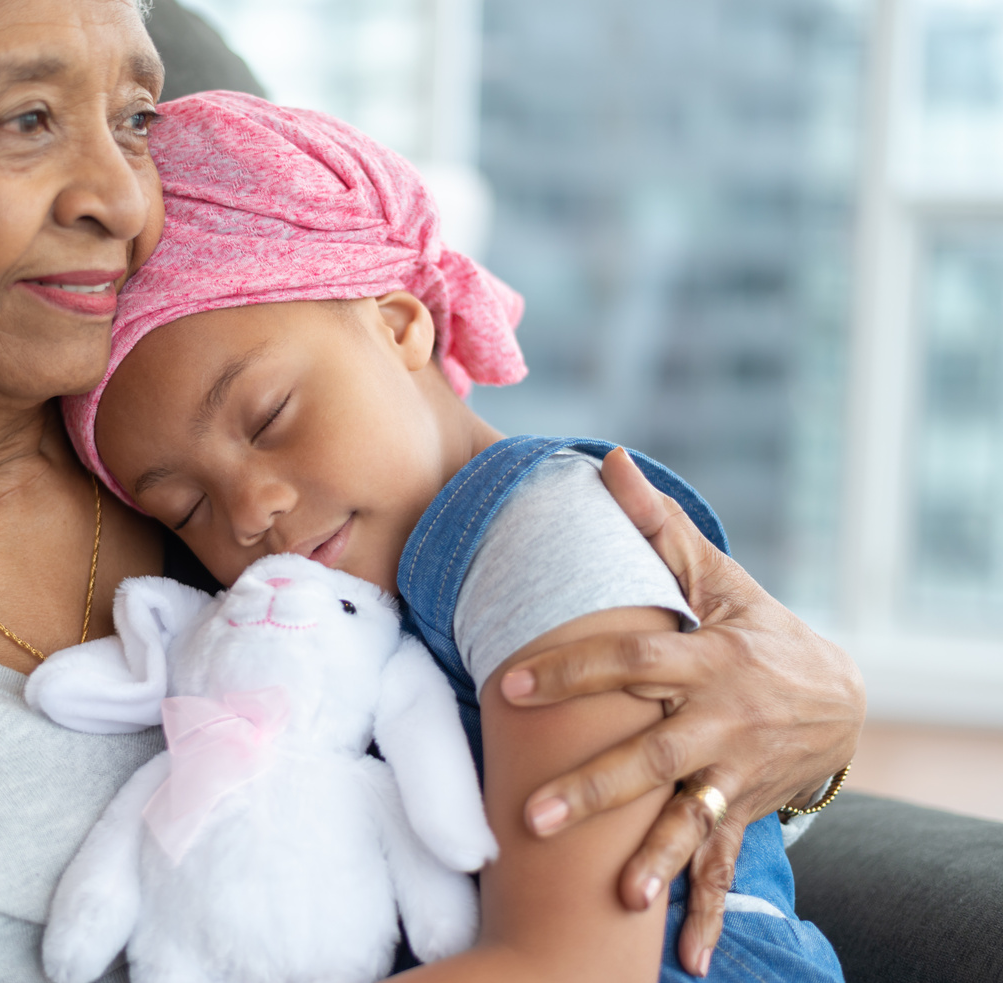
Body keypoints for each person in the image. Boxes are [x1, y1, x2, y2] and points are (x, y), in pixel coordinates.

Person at [0, 0, 861, 979]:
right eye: (27, 118)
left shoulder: (232, 402)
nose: (123, 196)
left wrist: (808, 729)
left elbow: (575, 653)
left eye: (136, 117)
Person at [65, 91, 847, 981]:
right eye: (186, 509)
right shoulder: (317, 617)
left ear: (401, 325)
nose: (247, 512)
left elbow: (569, 962)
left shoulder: (544, 538)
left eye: (270, 415)